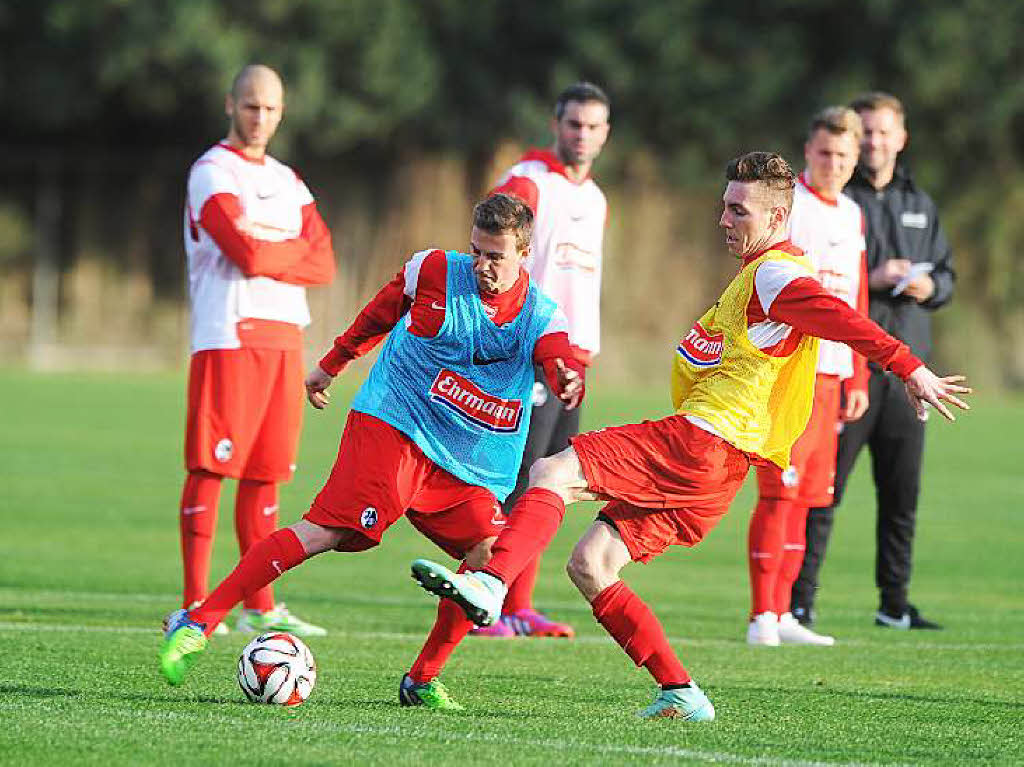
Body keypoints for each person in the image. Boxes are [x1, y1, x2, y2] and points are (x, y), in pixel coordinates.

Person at [410, 152, 970, 720]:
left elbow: (844, 319)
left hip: (698, 442)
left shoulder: (777, 275)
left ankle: (492, 585)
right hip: (720, 472)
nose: (725, 219)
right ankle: (681, 691)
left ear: (777, 219)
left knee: (551, 472)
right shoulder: (761, 274)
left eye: (739, 211)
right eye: (724, 207)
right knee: (592, 564)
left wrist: (910, 368)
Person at [159, 194, 585, 709]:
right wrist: (332, 363)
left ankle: (421, 680)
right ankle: (200, 621)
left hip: (464, 459)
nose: (482, 266)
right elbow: (381, 311)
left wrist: (565, 375)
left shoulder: (540, 315)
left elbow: (557, 352)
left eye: (495, 256)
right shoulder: (431, 271)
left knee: (489, 556)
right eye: (476, 251)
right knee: (328, 531)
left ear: (524, 254)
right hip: (395, 422)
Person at [178, 64, 335, 638]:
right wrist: (282, 250)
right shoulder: (211, 171)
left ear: (283, 111)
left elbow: (326, 261)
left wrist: (272, 251)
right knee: (211, 466)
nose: (260, 118)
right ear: (230, 104)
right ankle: (197, 604)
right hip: (230, 331)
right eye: (250, 106)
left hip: (284, 336)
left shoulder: (290, 182)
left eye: (270, 108)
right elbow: (244, 255)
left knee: (268, 475)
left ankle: (260, 607)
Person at [792, 92, 957, 631]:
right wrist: (879, 278)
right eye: (868, 133)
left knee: (902, 494)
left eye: (886, 132)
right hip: (849, 366)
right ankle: (800, 601)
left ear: (900, 137)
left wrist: (932, 285)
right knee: (824, 490)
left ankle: (894, 604)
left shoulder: (920, 202)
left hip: (909, 373)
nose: (876, 142)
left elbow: (949, 275)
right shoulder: (839, 199)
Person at [472, 81, 610, 639]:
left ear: (606, 133)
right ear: (557, 125)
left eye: (593, 126)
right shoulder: (531, 180)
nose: (582, 134)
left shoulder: (596, 197)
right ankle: (484, 602)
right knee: (511, 479)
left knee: (547, 482)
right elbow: (494, 249)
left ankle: (519, 605)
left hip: (576, 355)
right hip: (533, 353)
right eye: (574, 123)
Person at [745, 107, 868, 647]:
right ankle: (760, 617)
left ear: (855, 158)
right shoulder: (789, 207)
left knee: (811, 499)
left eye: (843, 156)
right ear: (807, 151)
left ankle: (786, 611)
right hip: (791, 371)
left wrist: (858, 375)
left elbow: (857, 295)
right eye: (824, 153)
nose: (833, 164)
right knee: (779, 493)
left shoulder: (853, 213)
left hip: (833, 375)